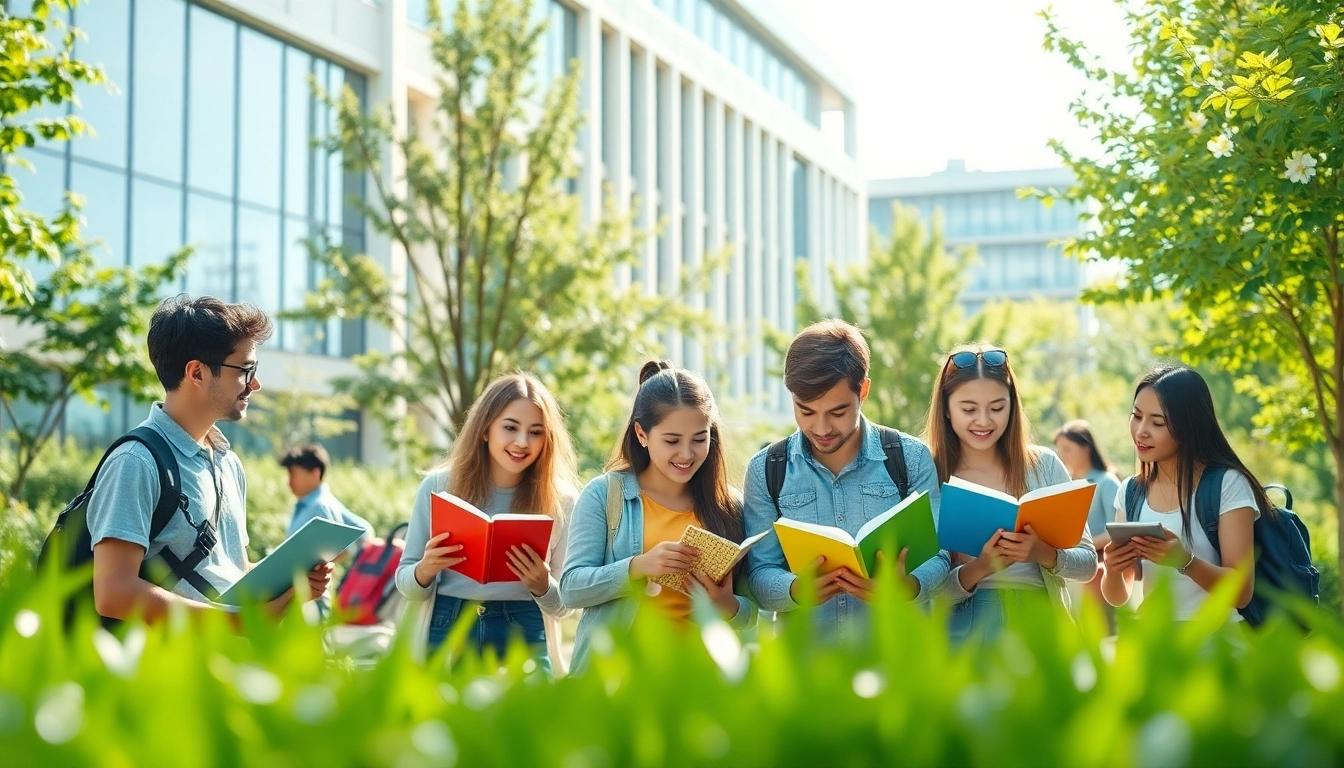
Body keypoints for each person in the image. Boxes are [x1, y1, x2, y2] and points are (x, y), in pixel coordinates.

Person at [87, 295, 332, 624]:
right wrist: (236, 623)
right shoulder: (136, 461)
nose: (255, 384)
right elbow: (114, 592)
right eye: (246, 370)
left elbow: (231, 571)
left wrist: (294, 581)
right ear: (197, 372)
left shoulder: (228, 463)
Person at [742, 320, 947, 642]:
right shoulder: (766, 469)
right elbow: (758, 574)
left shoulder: (909, 458)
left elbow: (940, 555)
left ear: (863, 390)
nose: (822, 428)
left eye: (837, 412)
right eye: (805, 411)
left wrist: (904, 587)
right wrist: (796, 588)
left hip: (896, 658)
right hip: (808, 667)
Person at [561, 361, 755, 673]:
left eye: (699, 438)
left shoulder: (730, 505)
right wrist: (639, 567)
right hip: (617, 678)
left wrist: (728, 606)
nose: (687, 454)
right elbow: (571, 588)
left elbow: (751, 612)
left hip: (700, 682)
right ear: (642, 434)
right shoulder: (605, 494)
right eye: (672, 440)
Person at [396, 373, 578, 675]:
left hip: (525, 627)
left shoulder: (562, 500)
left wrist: (542, 585)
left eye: (536, 432)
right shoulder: (439, 486)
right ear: (485, 430)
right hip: (448, 621)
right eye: (510, 427)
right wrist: (426, 569)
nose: (522, 442)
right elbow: (406, 585)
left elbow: (565, 604)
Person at [929, 343, 1097, 643]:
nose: (984, 421)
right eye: (968, 409)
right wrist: (981, 566)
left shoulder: (1043, 465)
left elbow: (1087, 564)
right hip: (966, 629)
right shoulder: (928, 471)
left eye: (997, 408)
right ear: (946, 409)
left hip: (1040, 623)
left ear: (1013, 404)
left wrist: (1043, 553)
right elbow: (921, 591)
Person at [1100, 366, 1265, 623]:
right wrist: (1112, 568)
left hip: (1215, 641)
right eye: (1136, 416)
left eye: (1157, 423)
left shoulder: (1227, 484)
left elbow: (1241, 592)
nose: (1141, 430)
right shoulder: (1131, 491)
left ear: (1189, 426)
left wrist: (1184, 561)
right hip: (1156, 643)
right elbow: (1119, 596)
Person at [278, 442, 375, 616]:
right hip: (303, 599)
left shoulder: (319, 507)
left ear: (315, 473)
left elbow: (351, 543)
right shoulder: (311, 503)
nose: (289, 481)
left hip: (310, 603)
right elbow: (364, 530)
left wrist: (320, 566)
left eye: (293, 474)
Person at [1054, 419, 1122, 624]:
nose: (1062, 456)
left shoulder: (1106, 482)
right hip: (1069, 562)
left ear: (1086, 448)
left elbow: (1116, 531)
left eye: (1068, 449)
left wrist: (1083, 545)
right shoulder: (1065, 484)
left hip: (1100, 567)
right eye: (1060, 450)